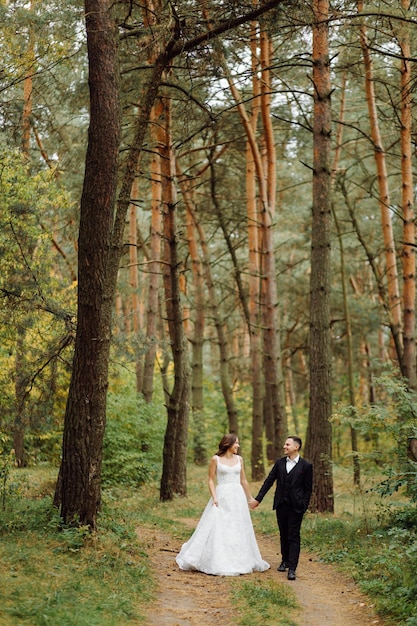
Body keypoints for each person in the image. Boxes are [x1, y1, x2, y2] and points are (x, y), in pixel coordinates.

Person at [176, 433, 270, 576]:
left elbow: (243, 480)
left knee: (237, 526)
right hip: (222, 495)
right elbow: (211, 480)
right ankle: (217, 557)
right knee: (220, 525)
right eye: (236, 443)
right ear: (228, 444)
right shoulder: (216, 459)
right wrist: (214, 497)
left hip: (237, 496)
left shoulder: (239, 459)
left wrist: (250, 497)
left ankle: (239, 558)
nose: (238, 445)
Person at [250, 436, 312, 581]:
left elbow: (308, 489)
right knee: (283, 533)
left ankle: (292, 568)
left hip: (296, 506)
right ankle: (285, 560)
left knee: (294, 535)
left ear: (296, 447)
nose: (284, 446)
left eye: (287, 444)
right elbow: (269, 480)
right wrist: (258, 498)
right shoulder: (279, 463)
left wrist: (304, 505)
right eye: (285, 444)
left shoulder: (306, 466)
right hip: (281, 505)